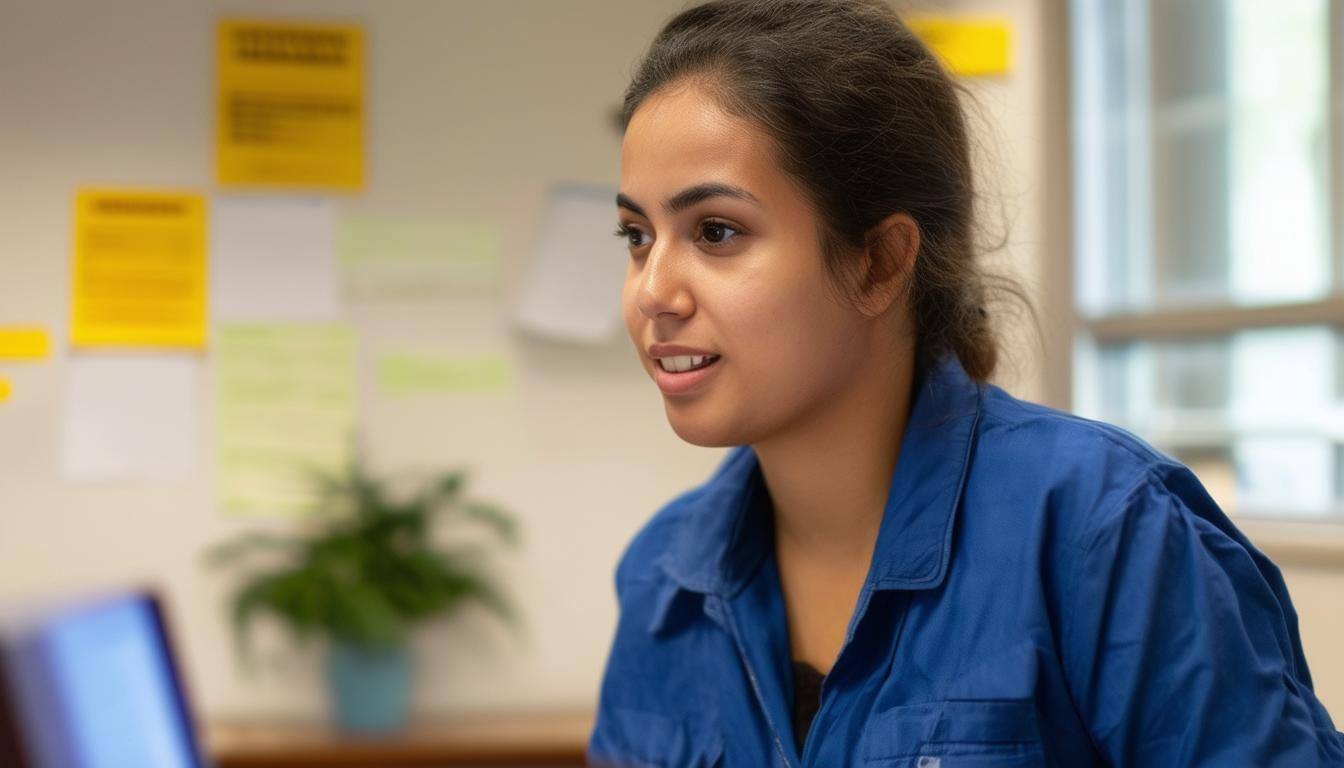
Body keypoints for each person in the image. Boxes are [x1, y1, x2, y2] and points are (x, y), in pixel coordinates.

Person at [587, 1, 1344, 765]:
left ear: (879, 262)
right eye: (637, 237)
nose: (653, 290)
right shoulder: (661, 579)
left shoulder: (1104, 532)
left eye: (716, 232)